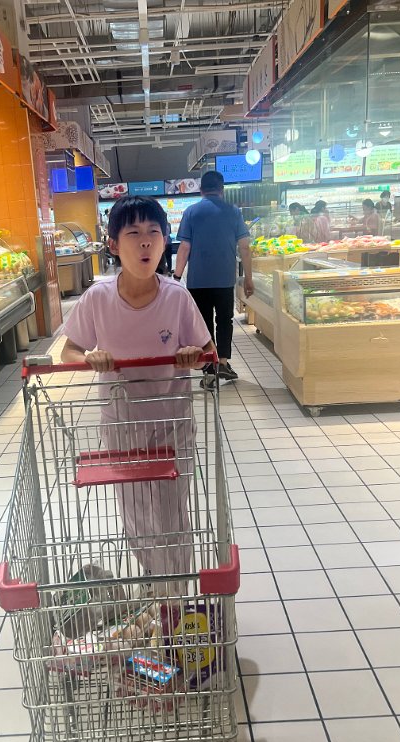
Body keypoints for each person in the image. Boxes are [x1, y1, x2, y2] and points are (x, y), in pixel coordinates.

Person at [61, 196, 214, 579]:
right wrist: (89, 358)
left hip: (172, 426)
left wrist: (192, 354)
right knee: (136, 512)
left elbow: (207, 352)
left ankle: (173, 589)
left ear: (164, 241)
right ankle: (157, 580)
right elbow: (69, 351)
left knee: (170, 512)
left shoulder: (177, 297)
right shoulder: (98, 298)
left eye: (153, 232)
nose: (145, 241)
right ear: (113, 244)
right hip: (122, 426)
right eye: (133, 233)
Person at [174, 170, 253, 388]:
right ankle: (223, 363)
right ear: (222, 189)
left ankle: (209, 369)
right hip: (225, 279)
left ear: (201, 190)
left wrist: (176, 277)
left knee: (203, 323)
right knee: (225, 321)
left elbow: (184, 247)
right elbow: (245, 247)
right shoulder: (233, 212)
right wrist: (248, 278)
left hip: (198, 281)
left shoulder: (191, 212)